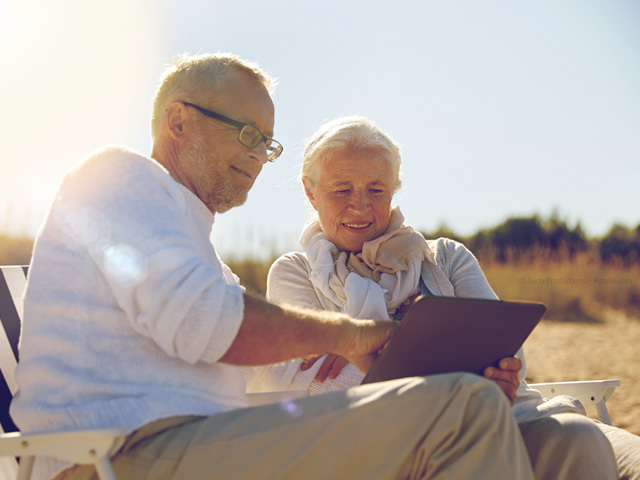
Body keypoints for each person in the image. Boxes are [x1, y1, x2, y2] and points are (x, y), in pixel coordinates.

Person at [10, 53, 536, 480]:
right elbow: (206, 322)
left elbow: (236, 349)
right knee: (463, 408)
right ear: (178, 121)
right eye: (247, 134)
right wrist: (352, 335)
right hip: (114, 457)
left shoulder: (205, 257)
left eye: (268, 143)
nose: (260, 156)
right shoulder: (116, 176)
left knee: (454, 413)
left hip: (199, 447)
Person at [243, 116, 639, 479]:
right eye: (341, 189)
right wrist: (455, 373)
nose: (360, 205)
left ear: (394, 189)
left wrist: (360, 349)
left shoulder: (445, 256)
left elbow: (509, 352)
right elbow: (318, 384)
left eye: (376, 189)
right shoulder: (295, 273)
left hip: (505, 412)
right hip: (391, 441)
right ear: (310, 193)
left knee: (580, 436)